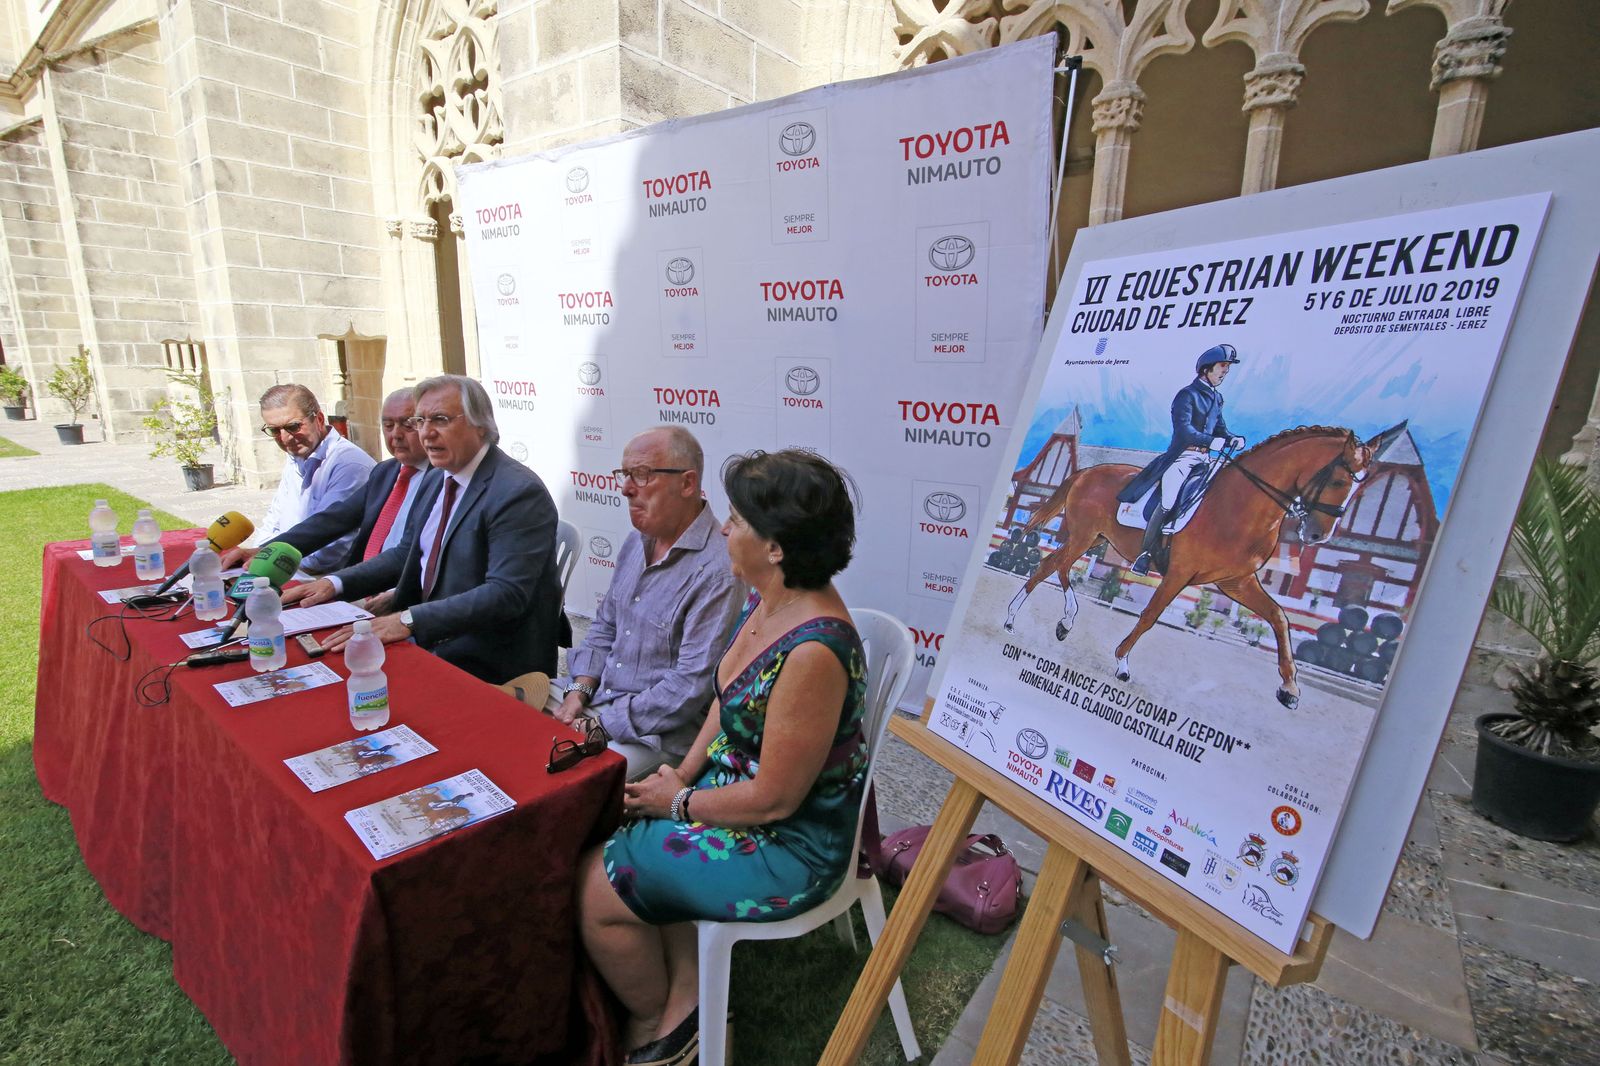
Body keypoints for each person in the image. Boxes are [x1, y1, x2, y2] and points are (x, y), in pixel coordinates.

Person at [576, 448, 869, 1066]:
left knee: (593, 890)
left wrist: (679, 802)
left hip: (789, 847)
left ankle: (661, 1024)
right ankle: (692, 999)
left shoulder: (814, 651)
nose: (724, 529)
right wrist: (682, 773)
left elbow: (774, 801)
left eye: (736, 520)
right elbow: (723, 695)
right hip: (731, 797)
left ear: (776, 547)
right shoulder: (770, 599)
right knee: (618, 825)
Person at [284, 374, 567, 684]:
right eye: (420, 421)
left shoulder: (517, 492)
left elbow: (506, 594)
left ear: (481, 425)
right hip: (431, 635)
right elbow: (407, 553)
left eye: (440, 420)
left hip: (488, 656)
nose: (426, 433)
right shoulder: (437, 476)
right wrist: (334, 583)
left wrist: (408, 620)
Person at [554, 427, 743, 780]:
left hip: (657, 734)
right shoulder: (636, 541)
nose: (626, 488)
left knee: (566, 780)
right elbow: (605, 625)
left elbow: (688, 688)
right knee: (510, 726)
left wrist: (603, 723)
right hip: (598, 700)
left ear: (687, 483)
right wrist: (579, 690)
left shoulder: (718, 571)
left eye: (642, 475)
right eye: (625, 474)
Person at [223, 390, 437, 593]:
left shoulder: (442, 480)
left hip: (400, 594)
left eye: (408, 425)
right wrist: (268, 549)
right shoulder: (386, 471)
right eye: (388, 425)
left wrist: (335, 584)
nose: (396, 434)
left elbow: (411, 555)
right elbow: (335, 519)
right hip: (360, 586)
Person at [1117, 343, 1247, 574]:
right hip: (1183, 457)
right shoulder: (1187, 395)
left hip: (1205, 460)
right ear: (1207, 368)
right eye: (1222, 366)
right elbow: (1184, 430)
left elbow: (1220, 428)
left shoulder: (1216, 398)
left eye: (1227, 368)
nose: (1225, 372)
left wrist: (1232, 439)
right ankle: (1146, 554)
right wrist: (1211, 442)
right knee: (1168, 500)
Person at [254, 383, 375, 576]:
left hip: (322, 578)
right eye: (275, 431)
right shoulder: (298, 454)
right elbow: (274, 519)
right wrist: (257, 557)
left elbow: (329, 549)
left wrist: (273, 566)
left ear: (318, 419)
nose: (285, 438)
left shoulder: (349, 464)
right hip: (289, 567)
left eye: (293, 427)